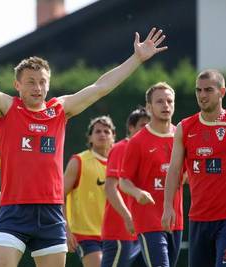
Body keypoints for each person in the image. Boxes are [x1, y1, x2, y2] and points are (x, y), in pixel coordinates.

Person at [0, 8, 168, 267]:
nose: (37, 87)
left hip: (50, 213)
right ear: (18, 85)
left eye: (42, 81)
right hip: (14, 211)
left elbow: (100, 87)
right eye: (30, 82)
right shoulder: (7, 108)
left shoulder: (59, 110)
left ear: (48, 84)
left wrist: (136, 59)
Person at [161, 69, 226, 267]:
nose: (202, 95)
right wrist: (167, 206)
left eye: (208, 90)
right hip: (198, 219)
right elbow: (174, 170)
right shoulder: (184, 127)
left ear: (222, 92)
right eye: (198, 90)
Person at [119, 82, 183, 267]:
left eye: (170, 101)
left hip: (175, 220)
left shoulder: (181, 137)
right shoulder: (137, 141)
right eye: (160, 101)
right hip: (148, 221)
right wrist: (138, 193)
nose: (166, 106)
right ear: (149, 107)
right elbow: (124, 182)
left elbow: (186, 175)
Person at [101, 107, 150, 267]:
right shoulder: (122, 147)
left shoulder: (148, 150)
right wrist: (128, 218)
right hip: (120, 231)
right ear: (131, 127)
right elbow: (110, 187)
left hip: (142, 231)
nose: (147, 129)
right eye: (143, 125)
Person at [64, 116, 116, 267]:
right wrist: (65, 230)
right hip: (85, 234)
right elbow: (59, 196)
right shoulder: (78, 161)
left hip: (115, 235)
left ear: (114, 137)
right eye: (97, 131)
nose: (102, 134)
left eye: (107, 131)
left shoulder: (120, 162)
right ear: (90, 138)